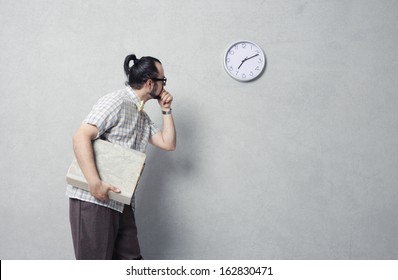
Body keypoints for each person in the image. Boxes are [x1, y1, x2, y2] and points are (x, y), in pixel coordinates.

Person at [66, 54, 176, 260]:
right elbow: (81, 136)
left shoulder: (141, 116)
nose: (164, 86)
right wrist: (94, 183)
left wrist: (166, 111)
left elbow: (168, 143)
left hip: (121, 201)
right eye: (163, 80)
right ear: (150, 83)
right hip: (94, 199)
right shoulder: (117, 101)